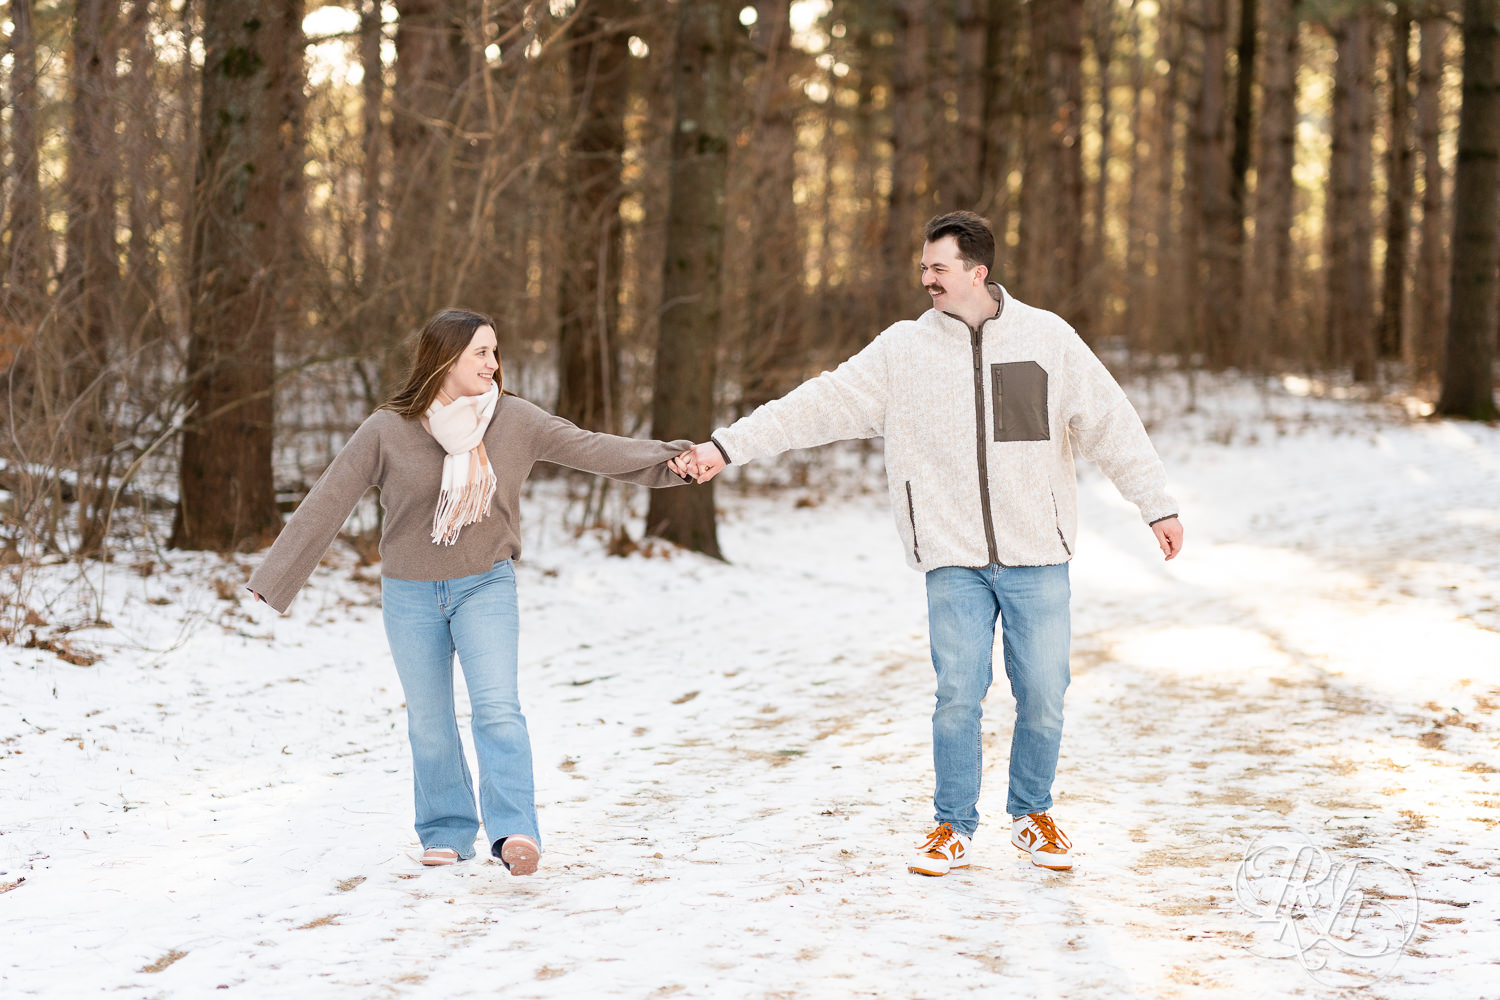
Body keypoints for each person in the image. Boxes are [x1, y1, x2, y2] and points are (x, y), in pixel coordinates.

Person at [683, 211, 1183, 875]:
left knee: (1043, 692)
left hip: (1039, 554)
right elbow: (816, 405)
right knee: (958, 694)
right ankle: (952, 825)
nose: (926, 279)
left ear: (977, 271)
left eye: (938, 268)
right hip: (952, 557)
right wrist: (727, 447)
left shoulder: (1047, 339)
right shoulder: (902, 352)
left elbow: (1112, 426)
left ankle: (1033, 815)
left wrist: (1157, 505)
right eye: (924, 268)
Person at [248, 308, 697, 875]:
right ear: (444, 358)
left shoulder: (515, 420)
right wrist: (276, 577)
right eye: (480, 352)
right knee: (429, 720)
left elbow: (593, 449)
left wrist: (671, 460)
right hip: (409, 593)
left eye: (494, 351)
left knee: (498, 709)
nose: (493, 363)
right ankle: (446, 829)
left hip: (485, 581)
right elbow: (330, 498)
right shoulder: (388, 429)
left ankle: (513, 833)